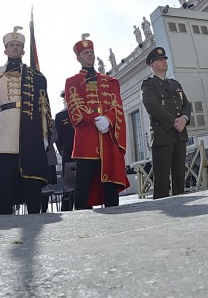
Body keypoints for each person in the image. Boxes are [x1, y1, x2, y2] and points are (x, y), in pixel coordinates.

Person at [0, 26, 52, 215]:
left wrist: (44, 133)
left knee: (31, 177)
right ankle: (3, 214)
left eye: (18, 45)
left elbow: (43, 105)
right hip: (5, 125)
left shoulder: (34, 75)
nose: (15, 48)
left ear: (23, 50)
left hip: (29, 127)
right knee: (5, 176)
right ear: (5, 50)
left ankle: (33, 212)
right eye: (11, 45)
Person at [65, 34, 129, 209]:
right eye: (85, 52)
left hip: (107, 137)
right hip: (86, 139)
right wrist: (95, 119)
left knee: (110, 183)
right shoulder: (72, 81)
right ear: (78, 58)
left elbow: (117, 105)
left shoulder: (110, 81)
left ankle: (113, 212)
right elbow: (74, 107)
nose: (90, 55)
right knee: (84, 183)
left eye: (91, 52)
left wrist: (108, 119)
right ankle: (81, 217)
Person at [141, 47, 192, 199]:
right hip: (162, 135)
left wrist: (184, 119)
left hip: (179, 134)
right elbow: (151, 104)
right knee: (162, 181)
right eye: (159, 59)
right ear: (152, 65)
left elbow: (186, 104)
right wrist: (173, 122)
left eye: (165, 59)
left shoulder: (175, 84)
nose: (164, 61)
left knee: (179, 178)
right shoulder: (148, 84)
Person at [53, 91, 75, 211]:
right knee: (68, 184)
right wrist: (62, 151)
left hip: (82, 153)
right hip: (67, 153)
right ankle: (67, 208)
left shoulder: (81, 112)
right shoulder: (60, 116)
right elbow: (57, 138)